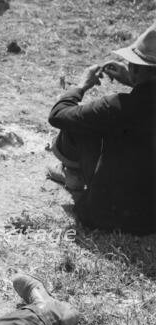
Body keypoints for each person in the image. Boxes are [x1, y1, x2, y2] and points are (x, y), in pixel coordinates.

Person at [47, 21, 156, 235]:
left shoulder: (117, 107)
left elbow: (58, 115)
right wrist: (137, 83)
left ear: (135, 67)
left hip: (106, 216)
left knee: (78, 125)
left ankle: (73, 174)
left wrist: (80, 86)